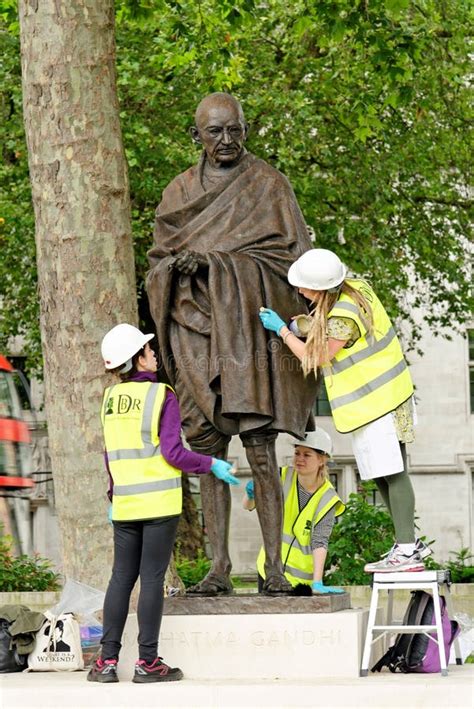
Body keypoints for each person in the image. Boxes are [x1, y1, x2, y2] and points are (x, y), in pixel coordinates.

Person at [146, 92, 317, 595]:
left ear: (245, 129)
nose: (226, 140)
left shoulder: (268, 186)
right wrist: (173, 270)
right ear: (195, 135)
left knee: (261, 453)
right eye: (215, 131)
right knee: (208, 454)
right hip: (194, 335)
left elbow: (297, 267)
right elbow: (156, 264)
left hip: (247, 340)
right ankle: (217, 568)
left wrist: (217, 265)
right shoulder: (178, 193)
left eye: (234, 130)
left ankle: (277, 571)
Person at [259, 248, 432, 573]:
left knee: (394, 474)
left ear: (322, 289)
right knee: (382, 475)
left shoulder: (344, 315)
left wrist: (282, 331)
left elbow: (318, 356)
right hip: (378, 402)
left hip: (381, 401)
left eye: (305, 288)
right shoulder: (355, 289)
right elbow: (326, 322)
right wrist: (303, 326)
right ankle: (405, 544)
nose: (299, 291)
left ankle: (408, 550)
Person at [87, 323, 239, 684]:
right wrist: (211, 464)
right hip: (158, 504)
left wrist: (113, 495)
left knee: (121, 579)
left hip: (124, 504)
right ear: (138, 360)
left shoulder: (109, 400)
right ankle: (147, 663)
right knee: (152, 579)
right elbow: (173, 453)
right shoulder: (161, 395)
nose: (154, 354)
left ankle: (106, 663)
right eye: (148, 350)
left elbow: (110, 456)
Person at [243, 429, 345, 594]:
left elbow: (320, 541)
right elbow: (248, 506)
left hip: (301, 580)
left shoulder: (328, 498)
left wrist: (317, 582)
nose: (300, 459)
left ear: (322, 460)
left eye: (307, 455)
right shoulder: (280, 476)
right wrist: (251, 495)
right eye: (297, 453)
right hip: (270, 571)